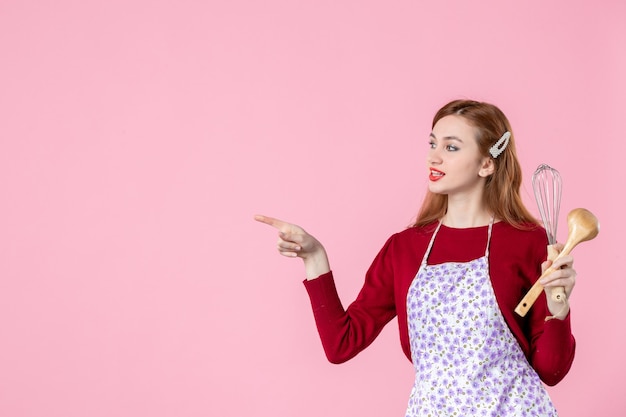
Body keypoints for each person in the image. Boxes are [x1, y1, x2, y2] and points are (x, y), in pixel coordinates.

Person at [255, 99, 576, 416]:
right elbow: (341, 344)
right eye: (432, 143)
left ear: (486, 163)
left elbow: (551, 371)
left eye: (451, 148)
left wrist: (558, 310)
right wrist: (314, 257)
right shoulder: (404, 248)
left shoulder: (528, 241)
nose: (433, 157)